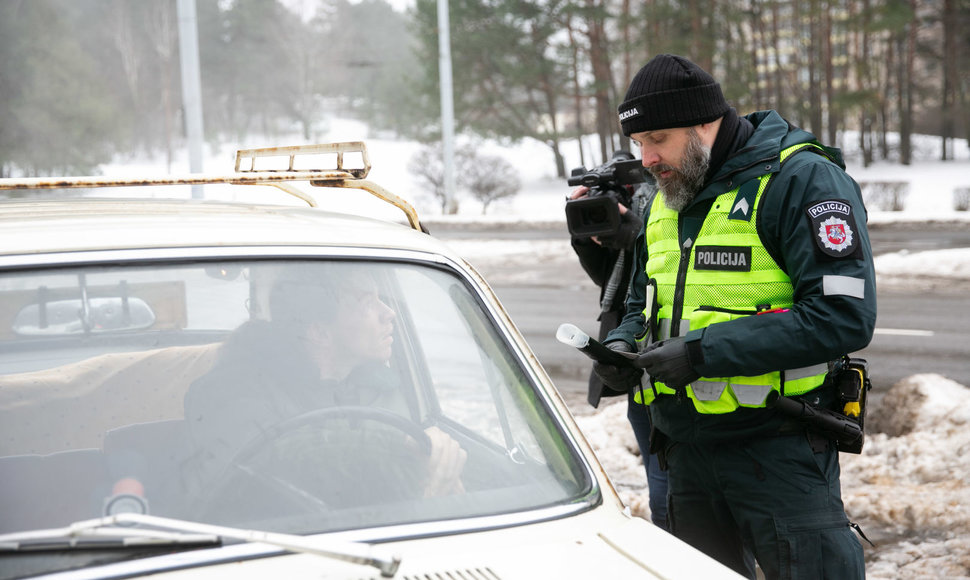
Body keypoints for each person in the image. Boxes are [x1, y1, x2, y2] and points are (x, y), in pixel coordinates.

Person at [593, 54, 875, 579]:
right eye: (638, 143)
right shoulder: (665, 198)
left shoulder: (802, 180)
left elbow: (842, 317)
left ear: (705, 122)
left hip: (779, 450)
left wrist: (702, 354)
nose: (647, 158)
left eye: (658, 138)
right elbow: (642, 303)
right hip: (684, 452)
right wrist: (625, 347)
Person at [184, 264, 466, 506]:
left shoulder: (383, 386)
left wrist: (439, 459)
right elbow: (273, 464)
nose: (389, 313)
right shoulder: (231, 393)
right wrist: (399, 451)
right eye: (367, 303)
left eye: (381, 299)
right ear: (320, 331)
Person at [568, 164, 669, 530]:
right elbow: (608, 279)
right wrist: (585, 237)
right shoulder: (635, 209)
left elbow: (667, 259)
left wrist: (635, 233)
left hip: (675, 362)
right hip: (637, 366)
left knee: (676, 491)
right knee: (662, 487)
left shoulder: (670, 201)